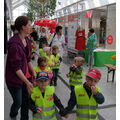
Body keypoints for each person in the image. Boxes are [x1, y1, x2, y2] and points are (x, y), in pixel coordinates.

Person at [5, 16, 36, 120]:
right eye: (29, 25)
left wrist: (33, 72)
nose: (30, 27)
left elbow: (28, 60)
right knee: (18, 102)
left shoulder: (26, 40)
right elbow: (16, 68)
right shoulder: (14, 45)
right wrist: (27, 82)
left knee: (26, 101)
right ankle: (13, 115)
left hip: (26, 76)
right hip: (15, 79)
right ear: (23, 27)